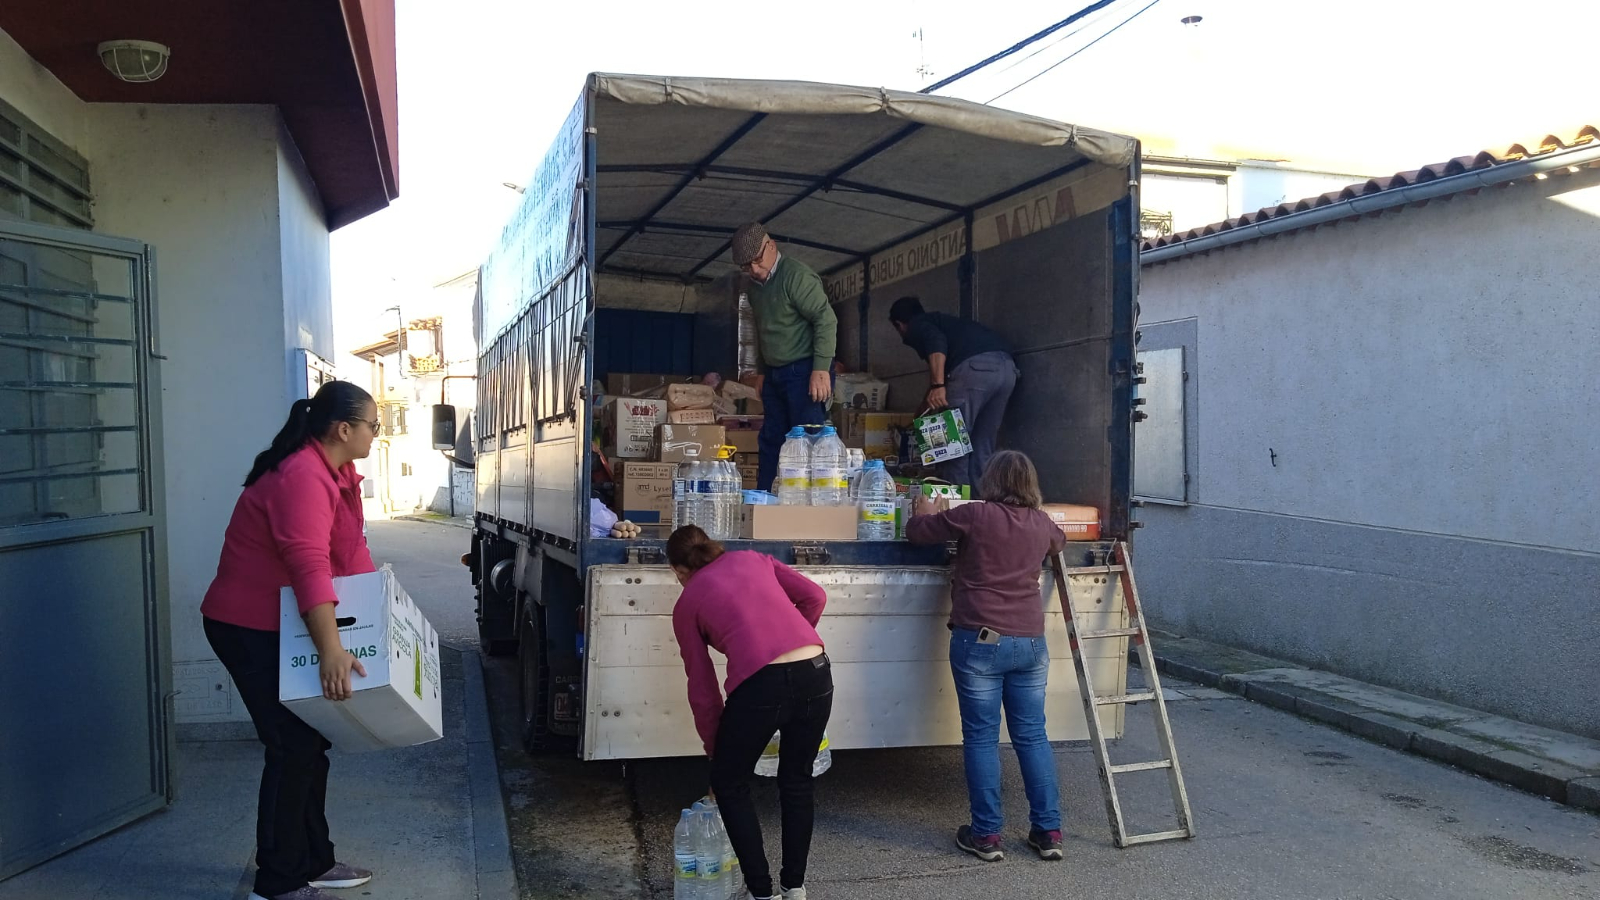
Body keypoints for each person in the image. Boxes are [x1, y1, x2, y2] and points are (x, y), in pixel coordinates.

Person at [200, 381, 382, 900]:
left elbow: (349, 555)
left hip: (280, 625)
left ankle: (313, 861)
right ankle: (277, 883)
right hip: (247, 628)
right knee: (292, 748)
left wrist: (379, 620)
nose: (377, 432)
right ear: (344, 429)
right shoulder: (303, 475)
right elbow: (309, 566)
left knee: (310, 744)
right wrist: (331, 650)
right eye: (373, 424)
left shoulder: (337, 473)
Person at [904, 450, 1068, 863]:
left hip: (980, 641)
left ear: (991, 481)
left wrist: (923, 510)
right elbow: (1059, 542)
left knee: (981, 737)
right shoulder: (1042, 523)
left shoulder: (976, 515)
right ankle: (1048, 832)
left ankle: (987, 836)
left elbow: (919, 533)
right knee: (1032, 736)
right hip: (1031, 643)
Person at [669, 525, 832, 900]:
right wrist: (789, 643)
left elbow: (703, 687)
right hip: (816, 671)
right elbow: (815, 597)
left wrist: (715, 751)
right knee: (796, 779)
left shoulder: (688, 601)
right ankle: (794, 888)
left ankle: (762, 893)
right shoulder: (753, 559)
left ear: (677, 571)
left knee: (730, 784)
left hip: (761, 686)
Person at [732, 222, 839, 492]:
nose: (754, 270)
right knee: (771, 440)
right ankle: (764, 501)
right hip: (775, 374)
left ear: (771, 246)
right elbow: (762, 333)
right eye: (747, 266)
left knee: (808, 442)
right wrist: (761, 373)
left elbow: (826, 320)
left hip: (805, 372)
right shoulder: (755, 289)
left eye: (757, 260)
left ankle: (811, 511)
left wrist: (821, 369)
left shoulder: (796, 276)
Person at [889, 295, 1019, 487]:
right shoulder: (949, 324)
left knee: (950, 447)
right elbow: (945, 371)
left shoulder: (919, 324)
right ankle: (979, 505)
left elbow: (936, 342)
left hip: (974, 371)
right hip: (1007, 370)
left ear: (900, 324)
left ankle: (956, 508)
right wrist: (925, 404)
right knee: (982, 445)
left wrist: (937, 387)